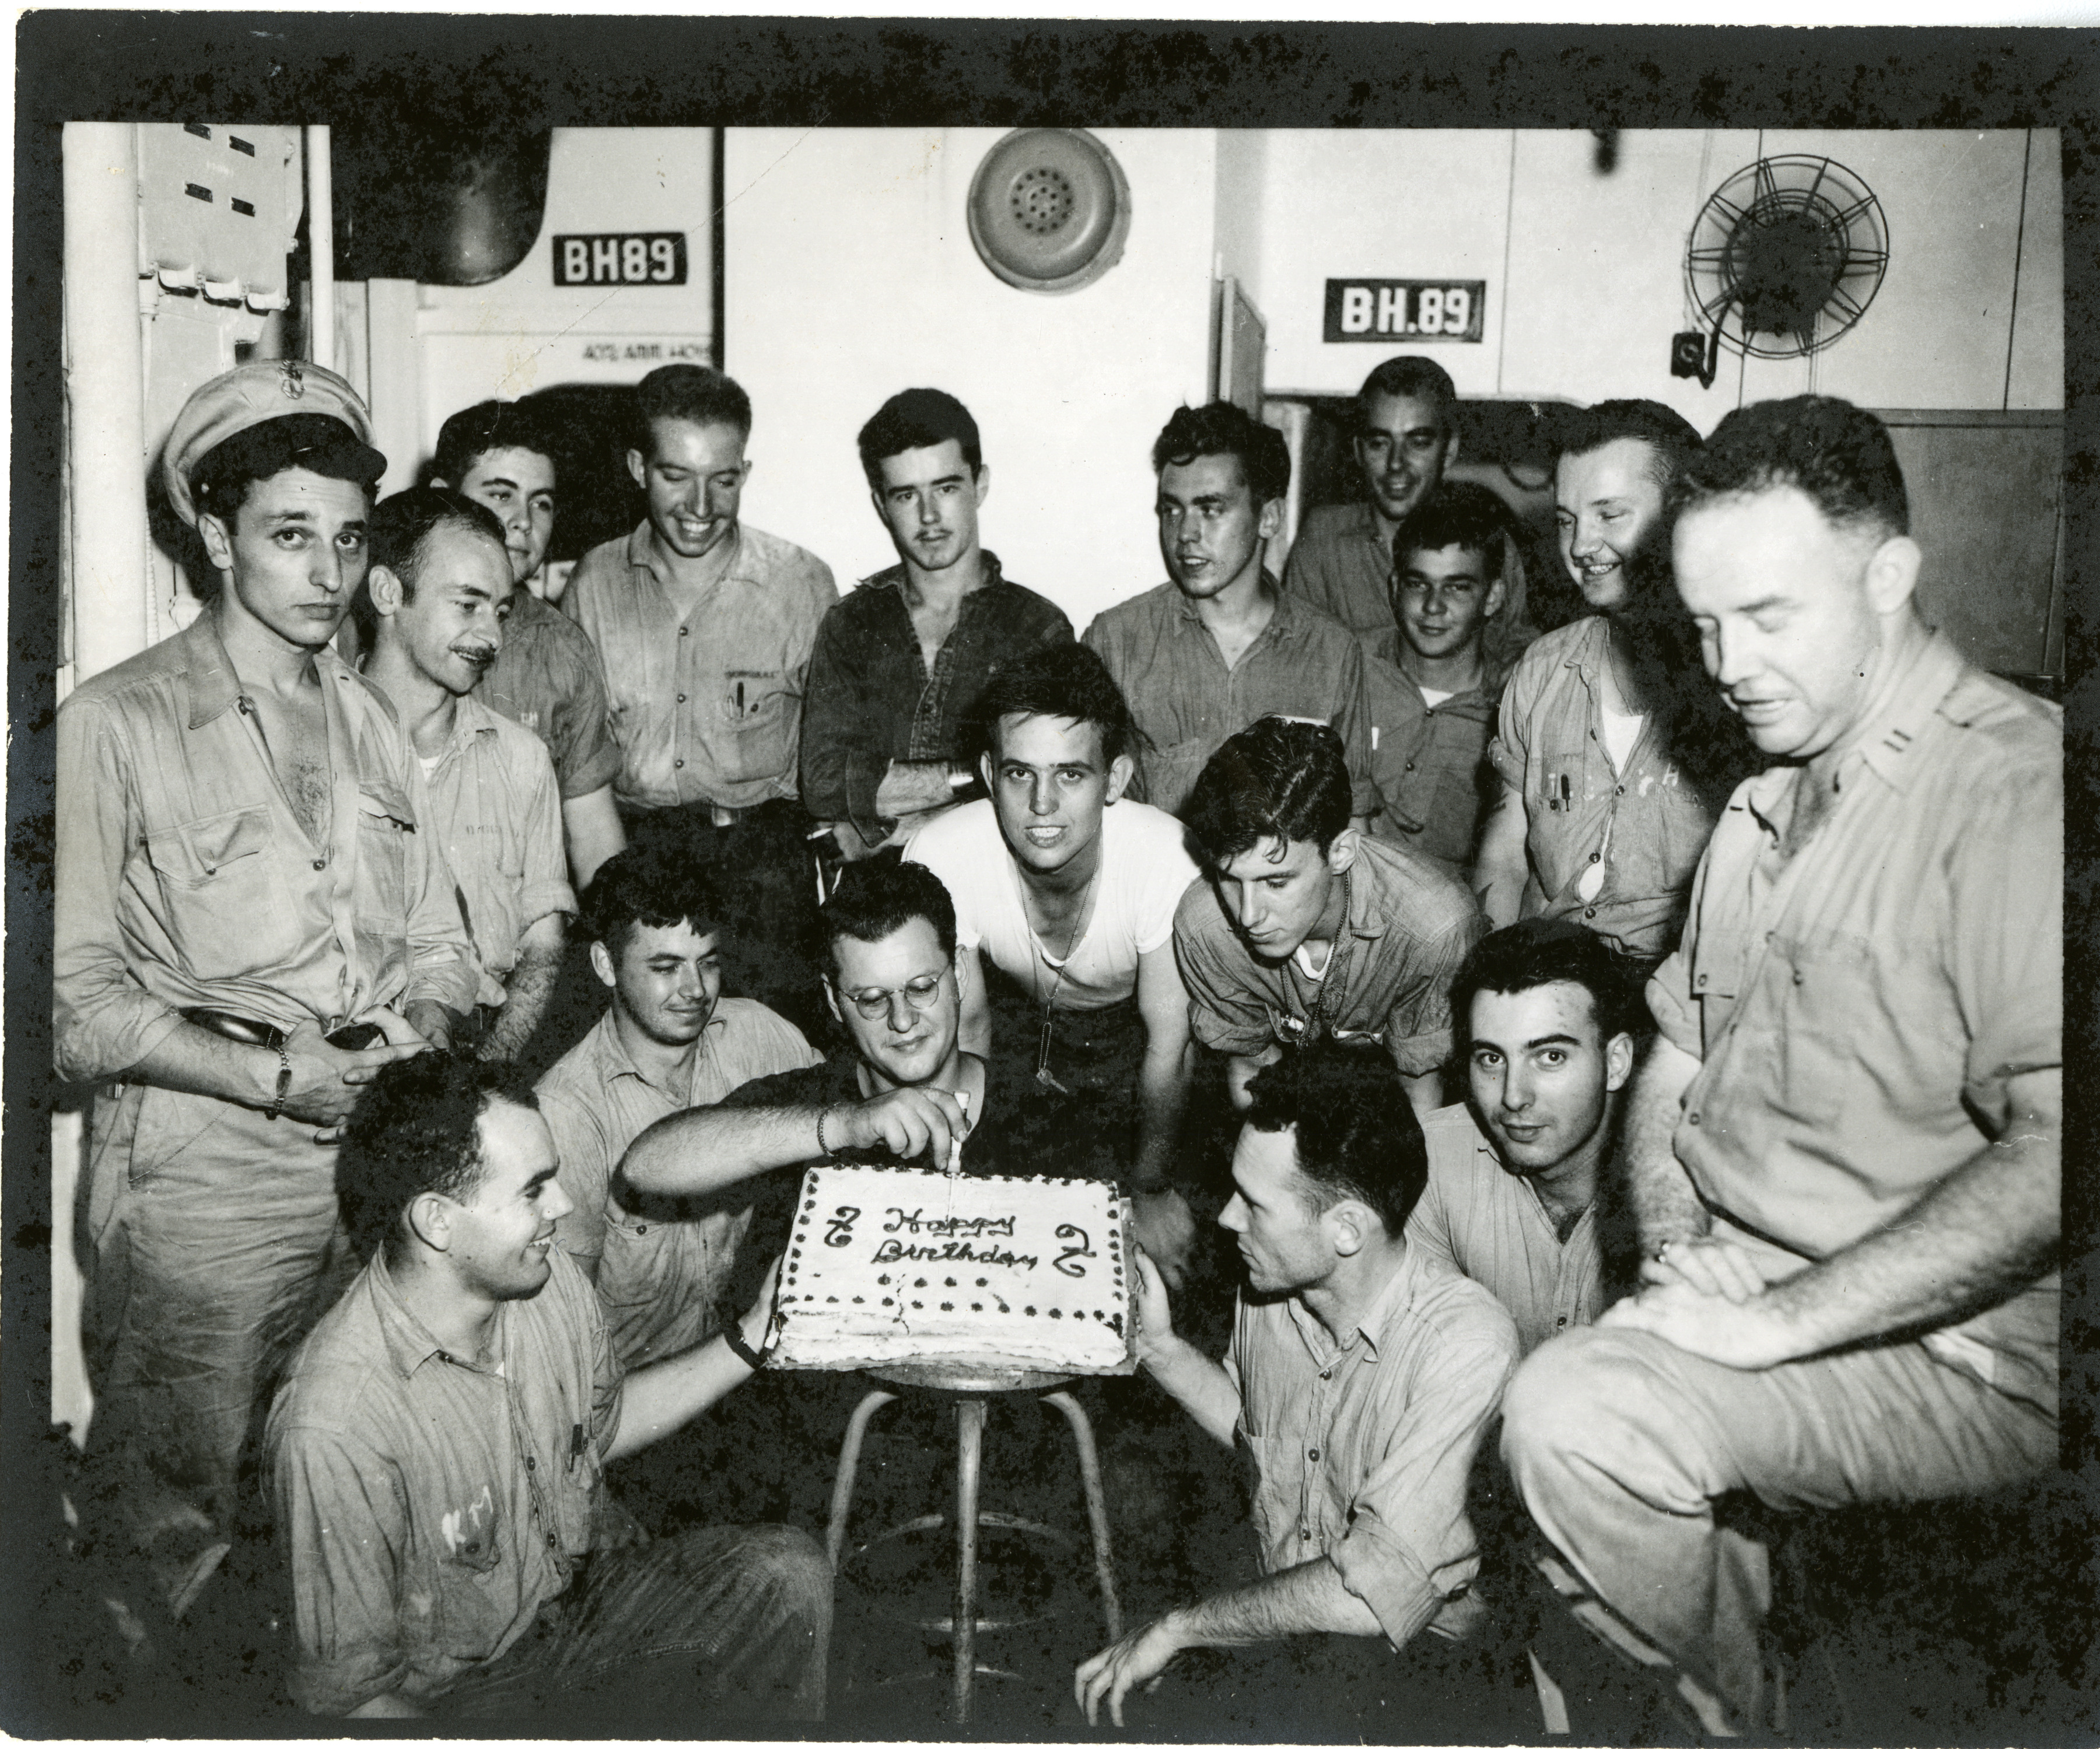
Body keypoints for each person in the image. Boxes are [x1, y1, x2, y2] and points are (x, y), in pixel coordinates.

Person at [1500, 396, 2062, 1736]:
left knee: (1569, 1418)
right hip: (1755, 1274)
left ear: (1886, 577)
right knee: (1559, 1548)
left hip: (1953, 1342)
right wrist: (1683, 1249)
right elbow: (1680, 1059)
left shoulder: (2010, 792)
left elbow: (2060, 1153)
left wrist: (1765, 1325)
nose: (1726, 663)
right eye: (1699, 627)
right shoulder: (1760, 802)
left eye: (1765, 617)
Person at [54, 361, 476, 1611]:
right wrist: (275, 1072)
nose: (329, 573)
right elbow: (76, 1010)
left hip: (365, 1161)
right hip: (203, 1174)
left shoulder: (370, 720)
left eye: (349, 539)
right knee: (177, 1522)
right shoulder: (116, 724)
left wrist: (414, 1035)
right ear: (213, 529)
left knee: (337, 1490)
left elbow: (442, 944)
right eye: (292, 535)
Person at [265, 1053, 830, 1722]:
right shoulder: (334, 1423)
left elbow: (606, 1424)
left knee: (789, 1575)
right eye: (534, 1190)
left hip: (571, 1608)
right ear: (436, 1220)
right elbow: (357, 1702)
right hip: (460, 1703)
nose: (563, 1207)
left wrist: (754, 1334)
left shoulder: (546, 1276)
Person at [1074, 1045, 1520, 1733]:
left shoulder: (1465, 1342)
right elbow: (1256, 1429)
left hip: (1414, 1670)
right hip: (1291, 1624)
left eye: (1254, 1203)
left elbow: (1370, 1597)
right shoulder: (1274, 1293)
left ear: (1346, 1228)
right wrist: (1158, 1347)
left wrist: (1182, 1627)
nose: (1225, 1219)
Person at [905, 642, 1200, 1285]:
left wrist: (1149, 1188)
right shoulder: (942, 853)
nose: (1042, 804)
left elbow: (1169, 1048)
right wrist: (957, 1186)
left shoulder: (1165, 861)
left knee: (1149, 1257)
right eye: (1019, 774)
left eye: (1071, 774)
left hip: (1137, 1048)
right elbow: (967, 1030)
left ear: (1115, 779)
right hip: (1018, 1033)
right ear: (988, 773)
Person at [562, 363, 836, 1030]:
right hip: (634, 855)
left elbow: (835, 755)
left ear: (745, 470)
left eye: (723, 479)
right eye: (675, 476)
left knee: (776, 1072)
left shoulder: (801, 584)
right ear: (637, 466)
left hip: (764, 871)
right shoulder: (593, 583)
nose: (701, 505)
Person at [619, 858, 1078, 1204]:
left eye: (921, 988)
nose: (902, 1020)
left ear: (958, 972)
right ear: (834, 1001)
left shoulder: (1048, 1121)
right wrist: (845, 1125)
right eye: (872, 999)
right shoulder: (812, 1102)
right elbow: (644, 1166)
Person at [1475, 399, 1749, 972]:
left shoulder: (1742, 679)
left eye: (1609, 515)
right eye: (1567, 519)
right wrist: (1495, 978)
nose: (1579, 545)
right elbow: (1506, 853)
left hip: (1677, 991)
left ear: (1682, 514)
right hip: (1550, 978)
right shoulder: (1542, 669)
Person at [537, 844, 820, 1367]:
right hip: (641, 1397)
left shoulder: (760, 1034)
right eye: (666, 967)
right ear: (605, 963)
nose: (695, 990)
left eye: (708, 963)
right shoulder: (567, 1111)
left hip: (752, 1367)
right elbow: (563, 1331)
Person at [802, 387, 1073, 859]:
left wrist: (914, 827)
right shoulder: (851, 624)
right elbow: (825, 784)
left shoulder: (1037, 629)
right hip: (873, 903)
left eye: (946, 488)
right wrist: (976, 774)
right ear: (882, 506)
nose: (928, 516)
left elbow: (1049, 787)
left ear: (980, 485)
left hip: (998, 893)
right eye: (906, 495)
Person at [1174, 717, 1484, 1123]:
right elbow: (1251, 1075)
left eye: (1276, 881)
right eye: (1230, 878)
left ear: (1341, 852)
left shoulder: (1435, 927)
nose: (1249, 916)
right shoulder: (1205, 927)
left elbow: (1421, 1096)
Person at [360, 488, 575, 1063]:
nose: (492, 637)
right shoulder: (320, 743)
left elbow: (542, 947)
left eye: (501, 611)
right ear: (387, 592)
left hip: (483, 1050)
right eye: (467, 605)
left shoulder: (522, 759)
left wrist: (482, 1075)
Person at [1084, 401, 1375, 822]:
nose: (1185, 533)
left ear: (1269, 517)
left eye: (1211, 509)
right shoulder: (1116, 641)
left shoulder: (1331, 654)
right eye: (1172, 509)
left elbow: (1354, 824)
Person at [1410, 919, 1644, 1356]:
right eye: (1491, 1058)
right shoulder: (1433, 1159)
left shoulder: (1680, 1180)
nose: (1513, 1096)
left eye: (1550, 1056)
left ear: (1616, 1062)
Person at [431, 398, 625, 889]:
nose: (524, 520)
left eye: (541, 501)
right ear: (442, 498)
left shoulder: (562, 651)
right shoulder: (372, 624)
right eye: (501, 495)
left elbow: (593, 836)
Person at [1362, 481, 1518, 882]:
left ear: (1493, 597)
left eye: (1457, 587)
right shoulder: (1350, 670)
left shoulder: (1512, 706)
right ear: (1396, 587)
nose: (1433, 606)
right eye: (1418, 584)